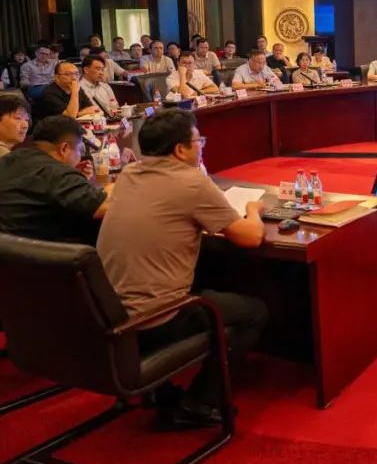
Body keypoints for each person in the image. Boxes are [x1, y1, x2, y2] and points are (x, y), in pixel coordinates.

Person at [97, 109, 267, 427]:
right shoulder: (191, 182)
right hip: (155, 319)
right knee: (254, 312)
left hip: (108, 314)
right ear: (180, 149)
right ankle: (200, 402)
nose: (201, 146)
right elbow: (250, 237)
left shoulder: (129, 174)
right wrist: (253, 209)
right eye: (198, 140)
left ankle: (161, 390)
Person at [0, 115, 111, 245]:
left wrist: (75, 178)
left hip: (10, 248)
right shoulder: (57, 173)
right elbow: (105, 207)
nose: (80, 156)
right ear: (64, 148)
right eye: (80, 150)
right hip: (41, 252)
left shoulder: (12, 157)